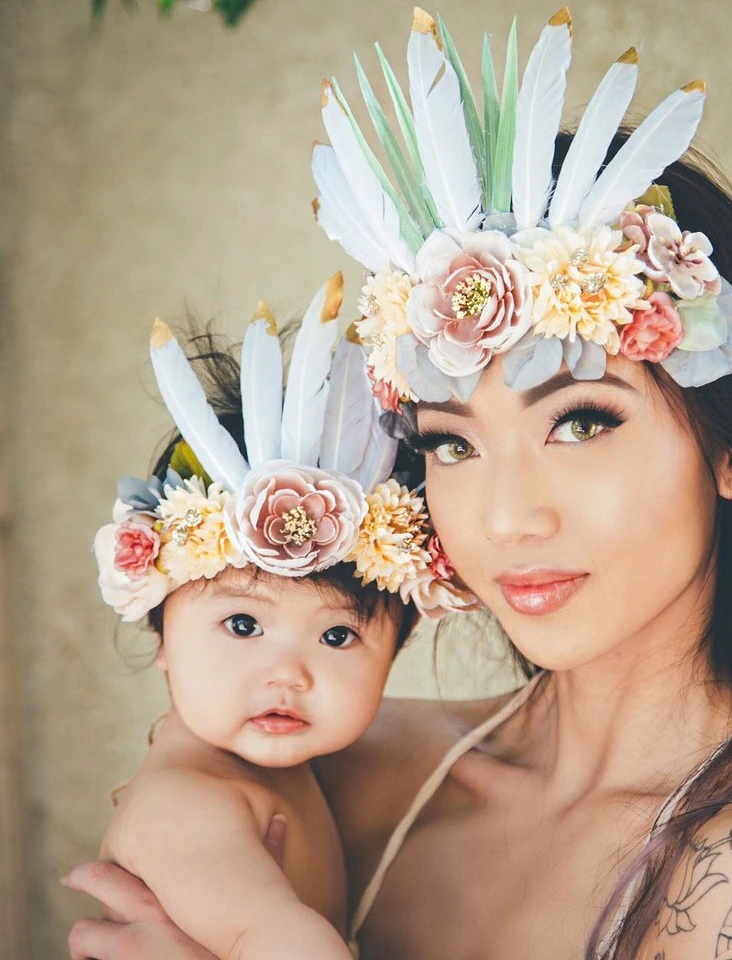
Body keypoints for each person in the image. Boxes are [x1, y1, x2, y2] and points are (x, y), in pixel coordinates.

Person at [65, 9, 732, 960]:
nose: (505, 516)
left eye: (581, 423)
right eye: (453, 444)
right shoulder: (329, 764)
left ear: (731, 447)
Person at [80, 281, 473, 960]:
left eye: (338, 635)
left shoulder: (284, 774)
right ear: (160, 630)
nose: (289, 673)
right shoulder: (188, 805)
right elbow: (281, 941)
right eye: (242, 626)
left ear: (397, 649)